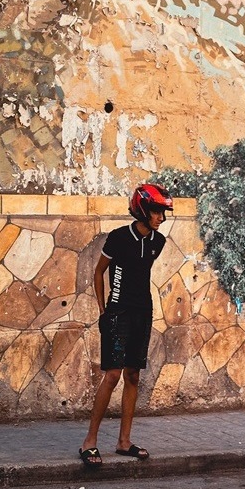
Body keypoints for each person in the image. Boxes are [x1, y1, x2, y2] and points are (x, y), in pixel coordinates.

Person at [79, 183, 173, 468]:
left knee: (133, 376)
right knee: (112, 375)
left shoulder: (158, 242)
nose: (161, 217)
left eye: (162, 212)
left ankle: (124, 442)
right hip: (117, 314)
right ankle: (89, 443)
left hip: (143, 313)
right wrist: (103, 309)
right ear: (143, 209)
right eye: (157, 211)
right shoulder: (119, 238)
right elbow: (99, 272)